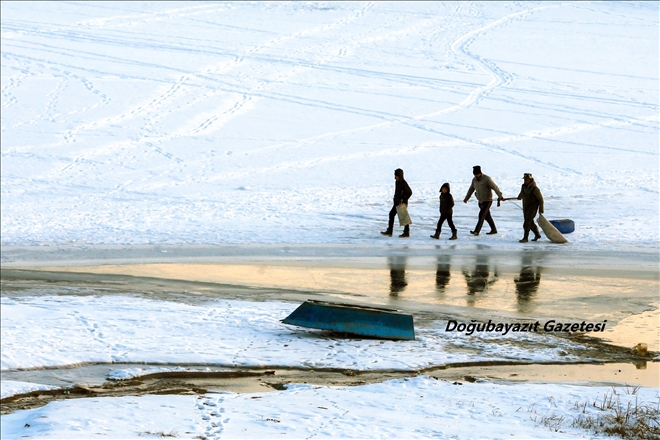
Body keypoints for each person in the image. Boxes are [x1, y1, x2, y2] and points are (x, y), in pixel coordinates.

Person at [463, 165, 503, 236]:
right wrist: (467, 198)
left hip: (487, 200)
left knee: (481, 215)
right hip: (480, 201)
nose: (476, 176)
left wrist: (500, 196)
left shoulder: (487, 179)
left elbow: (495, 187)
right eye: (474, 174)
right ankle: (494, 230)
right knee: (487, 216)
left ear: (480, 173)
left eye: (477, 174)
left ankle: (477, 231)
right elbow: (471, 189)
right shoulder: (474, 180)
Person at [381, 168, 412, 238]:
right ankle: (390, 231)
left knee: (403, 217)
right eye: (395, 175)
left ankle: (405, 232)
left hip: (401, 203)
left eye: (396, 175)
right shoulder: (397, 182)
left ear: (400, 175)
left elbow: (409, 192)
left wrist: (403, 200)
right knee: (392, 215)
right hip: (396, 202)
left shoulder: (403, 183)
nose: (395, 177)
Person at [516, 173, 543, 243]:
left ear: (530, 180)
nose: (525, 181)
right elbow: (522, 193)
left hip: (533, 208)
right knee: (530, 223)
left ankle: (525, 238)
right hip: (526, 207)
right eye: (524, 179)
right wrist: (519, 197)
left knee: (527, 223)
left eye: (526, 179)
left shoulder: (535, 189)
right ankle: (537, 234)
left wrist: (541, 209)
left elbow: (541, 200)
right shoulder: (524, 187)